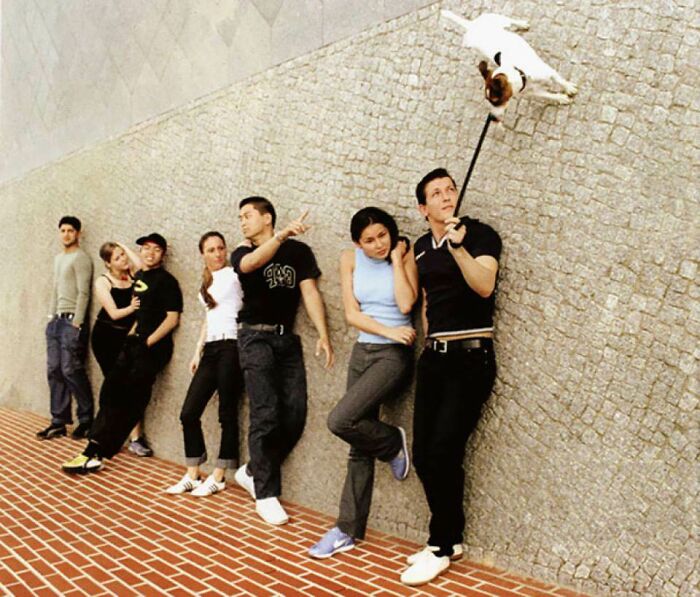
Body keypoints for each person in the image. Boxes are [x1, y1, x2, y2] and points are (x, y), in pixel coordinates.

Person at [399, 168, 501, 586]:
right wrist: (428, 344)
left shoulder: (479, 235)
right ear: (423, 208)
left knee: (443, 450)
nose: (446, 197)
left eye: (450, 189)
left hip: (471, 357)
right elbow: (426, 302)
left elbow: (484, 285)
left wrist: (459, 249)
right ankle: (451, 538)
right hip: (435, 358)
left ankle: (439, 546)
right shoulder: (422, 247)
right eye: (436, 193)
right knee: (426, 454)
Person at [309, 207, 418, 559]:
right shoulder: (349, 259)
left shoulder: (404, 253)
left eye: (383, 235)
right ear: (358, 243)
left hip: (393, 356)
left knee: (340, 420)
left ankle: (390, 443)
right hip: (363, 351)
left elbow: (406, 303)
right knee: (356, 441)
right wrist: (388, 329)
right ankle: (347, 529)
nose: (378, 244)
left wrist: (397, 260)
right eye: (369, 240)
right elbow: (352, 314)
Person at [231, 196, 334, 525]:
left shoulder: (298, 252)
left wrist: (323, 334)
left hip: (286, 339)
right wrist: (280, 236)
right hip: (254, 337)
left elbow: (310, 292)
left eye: (247, 215)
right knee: (265, 413)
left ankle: (253, 471)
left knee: (295, 413)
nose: (242, 222)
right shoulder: (242, 251)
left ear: (267, 217)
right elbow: (251, 265)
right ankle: (265, 493)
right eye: (240, 217)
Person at [61, 233, 183, 473]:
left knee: (130, 400)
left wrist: (147, 342)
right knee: (109, 393)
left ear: (163, 254)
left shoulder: (166, 281)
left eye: (156, 249)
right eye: (145, 248)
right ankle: (92, 449)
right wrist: (132, 337)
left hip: (152, 349)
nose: (150, 253)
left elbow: (172, 319)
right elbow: (140, 297)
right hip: (132, 345)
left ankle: (98, 452)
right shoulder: (140, 277)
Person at [165, 231, 244, 497]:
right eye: (211, 250)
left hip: (232, 346)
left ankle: (219, 476)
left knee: (227, 414)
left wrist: (245, 244)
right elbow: (209, 317)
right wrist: (197, 351)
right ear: (202, 254)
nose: (218, 253)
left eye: (221, 248)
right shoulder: (206, 282)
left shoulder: (234, 275)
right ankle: (193, 474)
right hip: (211, 348)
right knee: (188, 413)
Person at [91, 241, 153, 457]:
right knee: (114, 387)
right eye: (117, 258)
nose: (123, 259)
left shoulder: (133, 276)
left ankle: (134, 438)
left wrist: (122, 246)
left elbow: (141, 266)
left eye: (123, 255)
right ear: (108, 263)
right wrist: (132, 308)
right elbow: (114, 313)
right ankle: (105, 436)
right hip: (106, 338)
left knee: (130, 387)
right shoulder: (103, 282)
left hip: (127, 339)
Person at [37, 216, 94, 441]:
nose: (66, 234)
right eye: (63, 230)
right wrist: (51, 317)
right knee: (54, 370)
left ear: (78, 233)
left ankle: (86, 419)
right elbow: (55, 289)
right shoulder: (59, 258)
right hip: (56, 322)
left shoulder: (81, 258)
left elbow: (83, 292)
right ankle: (58, 421)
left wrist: (77, 322)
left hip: (72, 321)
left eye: (71, 230)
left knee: (71, 369)